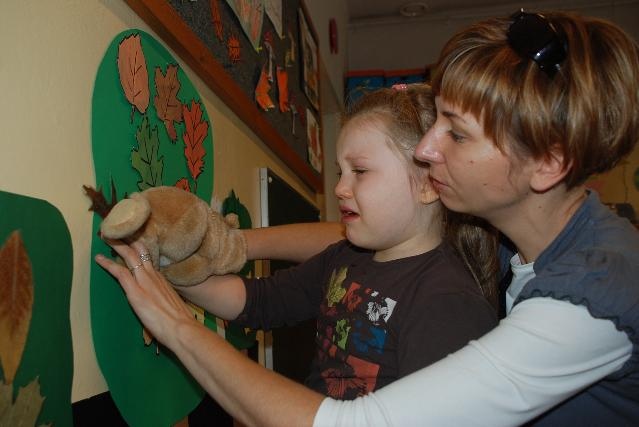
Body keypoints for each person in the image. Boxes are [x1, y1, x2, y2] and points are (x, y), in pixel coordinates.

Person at [95, 9, 639, 426]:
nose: (425, 149)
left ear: (547, 164)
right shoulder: (509, 233)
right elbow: (347, 244)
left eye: (456, 133)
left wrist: (176, 326)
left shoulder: (591, 301)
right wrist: (230, 245)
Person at [123, 85, 500, 400]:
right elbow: (261, 301)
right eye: (340, 172)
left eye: (360, 171)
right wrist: (171, 266)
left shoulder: (448, 303)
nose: (339, 188)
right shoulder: (346, 257)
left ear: (429, 185)